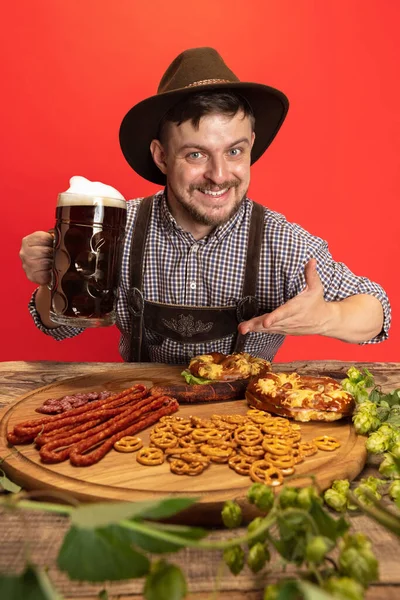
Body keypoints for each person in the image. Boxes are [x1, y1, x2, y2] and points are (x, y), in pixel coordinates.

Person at [20, 47, 391, 364]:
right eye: (196, 154)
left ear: (250, 147)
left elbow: (377, 312)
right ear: (162, 157)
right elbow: (58, 325)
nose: (219, 175)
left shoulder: (282, 242)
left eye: (234, 151)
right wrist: (51, 278)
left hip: (250, 430)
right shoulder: (118, 229)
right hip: (140, 421)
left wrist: (327, 316)